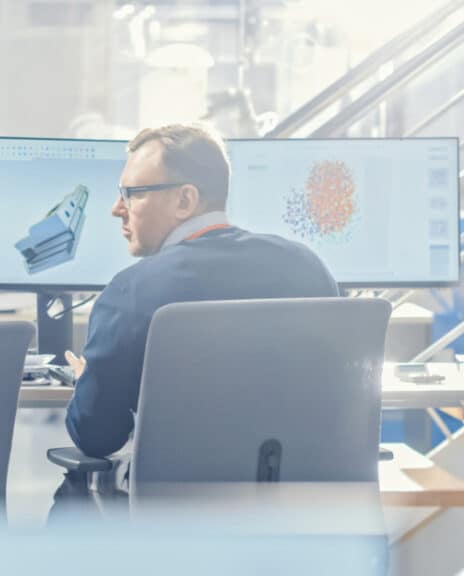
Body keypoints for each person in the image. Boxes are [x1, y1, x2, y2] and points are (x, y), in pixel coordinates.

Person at [57, 124, 338, 500]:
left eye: (132, 194)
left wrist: (87, 380)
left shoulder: (131, 292)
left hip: (175, 527)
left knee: (74, 493)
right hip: (304, 516)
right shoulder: (309, 268)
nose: (116, 209)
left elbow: (96, 437)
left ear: (185, 201)